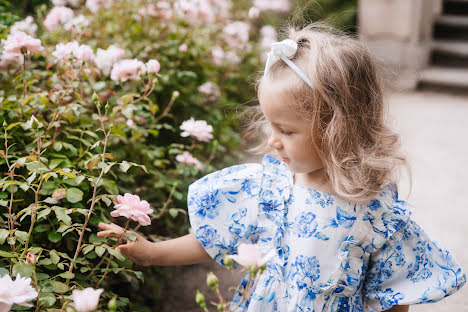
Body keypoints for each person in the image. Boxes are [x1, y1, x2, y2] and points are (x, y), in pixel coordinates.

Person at [97, 24, 466, 311]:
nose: (273, 141)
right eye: (271, 126)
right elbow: (212, 238)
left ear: (340, 129)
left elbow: (392, 292)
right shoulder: (270, 185)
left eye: (286, 130)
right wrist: (151, 253)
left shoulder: (376, 211)